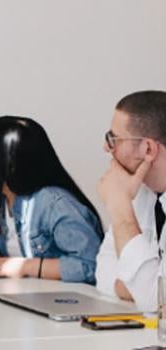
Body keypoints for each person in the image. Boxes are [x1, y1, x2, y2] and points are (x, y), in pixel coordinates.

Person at [0, 116, 103, 284]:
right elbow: (16, 253)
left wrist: (24, 266)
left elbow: (91, 266)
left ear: (12, 164)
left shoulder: (54, 204)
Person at [96, 90, 166, 312]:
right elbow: (103, 268)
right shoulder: (142, 191)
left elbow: (157, 302)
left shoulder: (125, 197)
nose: (107, 148)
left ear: (148, 149)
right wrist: (140, 288)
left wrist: (120, 208)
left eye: (113, 139)